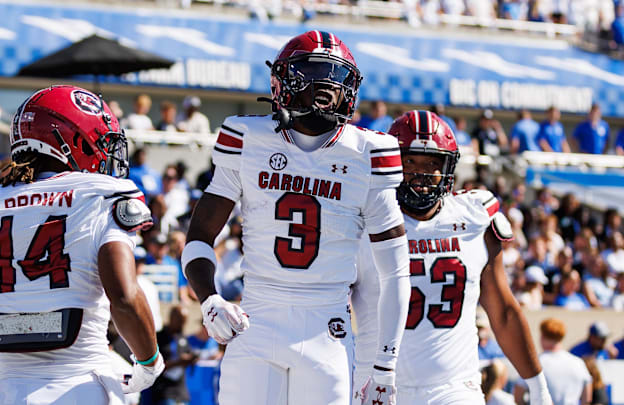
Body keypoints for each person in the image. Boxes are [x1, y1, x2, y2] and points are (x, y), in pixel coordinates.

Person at [183, 31, 410, 405]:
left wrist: (385, 366)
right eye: (313, 71)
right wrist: (210, 300)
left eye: (336, 76)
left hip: (327, 330)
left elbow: (396, 271)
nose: (327, 86)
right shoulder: (247, 138)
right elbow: (200, 235)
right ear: (283, 80)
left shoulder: (369, 152)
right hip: (254, 321)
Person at [0, 85, 164, 404]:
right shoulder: (99, 196)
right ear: (72, 141)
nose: (103, 154)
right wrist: (149, 361)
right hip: (85, 388)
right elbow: (124, 296)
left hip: (11, 394)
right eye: (99, 143)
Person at [353, 110, 552, 405]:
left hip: (455, 388)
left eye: (432, 163)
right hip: (377, 385)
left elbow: (504, 312)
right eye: (410, 161)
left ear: (448, 167)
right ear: (392, 163)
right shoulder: (360, 222)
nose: (422, 173)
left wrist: (538, 387)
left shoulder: (475, 217)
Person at [515, 318, 592, 405]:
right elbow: (587, 399)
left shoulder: (534, 363)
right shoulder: (578, 363)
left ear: (542, 336)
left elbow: (518, 397)